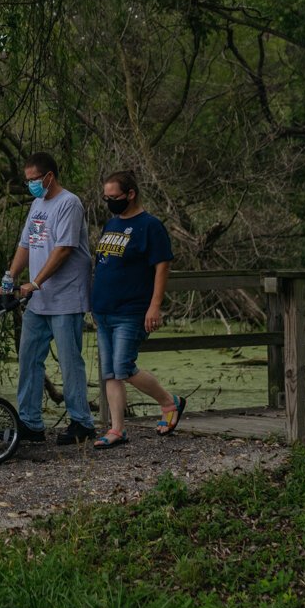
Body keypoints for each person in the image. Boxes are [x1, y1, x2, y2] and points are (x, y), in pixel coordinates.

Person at [2, 152, 97, 444]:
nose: (30, 184)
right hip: (39, 301)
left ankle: (81, 421)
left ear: (49, 177)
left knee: (70, 362)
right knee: (29, 358)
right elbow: (26, 243)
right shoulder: (37, 204)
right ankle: (30, 423)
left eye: (33, 179)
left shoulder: (69, 203)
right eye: (27, 179)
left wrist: (36, 282)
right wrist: (11, 276)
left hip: (66, 297)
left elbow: (64, 249)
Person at [88, 170, 185, 448]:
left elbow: (162, 265)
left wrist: (154, 306)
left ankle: (169, 402)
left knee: (124, 367)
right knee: (109, 372)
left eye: (114, 197)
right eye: (106, 198)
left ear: (130, 194)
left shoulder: (150, 226)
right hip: (103, 310)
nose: (109, 202)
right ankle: (117, 429)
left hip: (130, 310)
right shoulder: (111, 225)